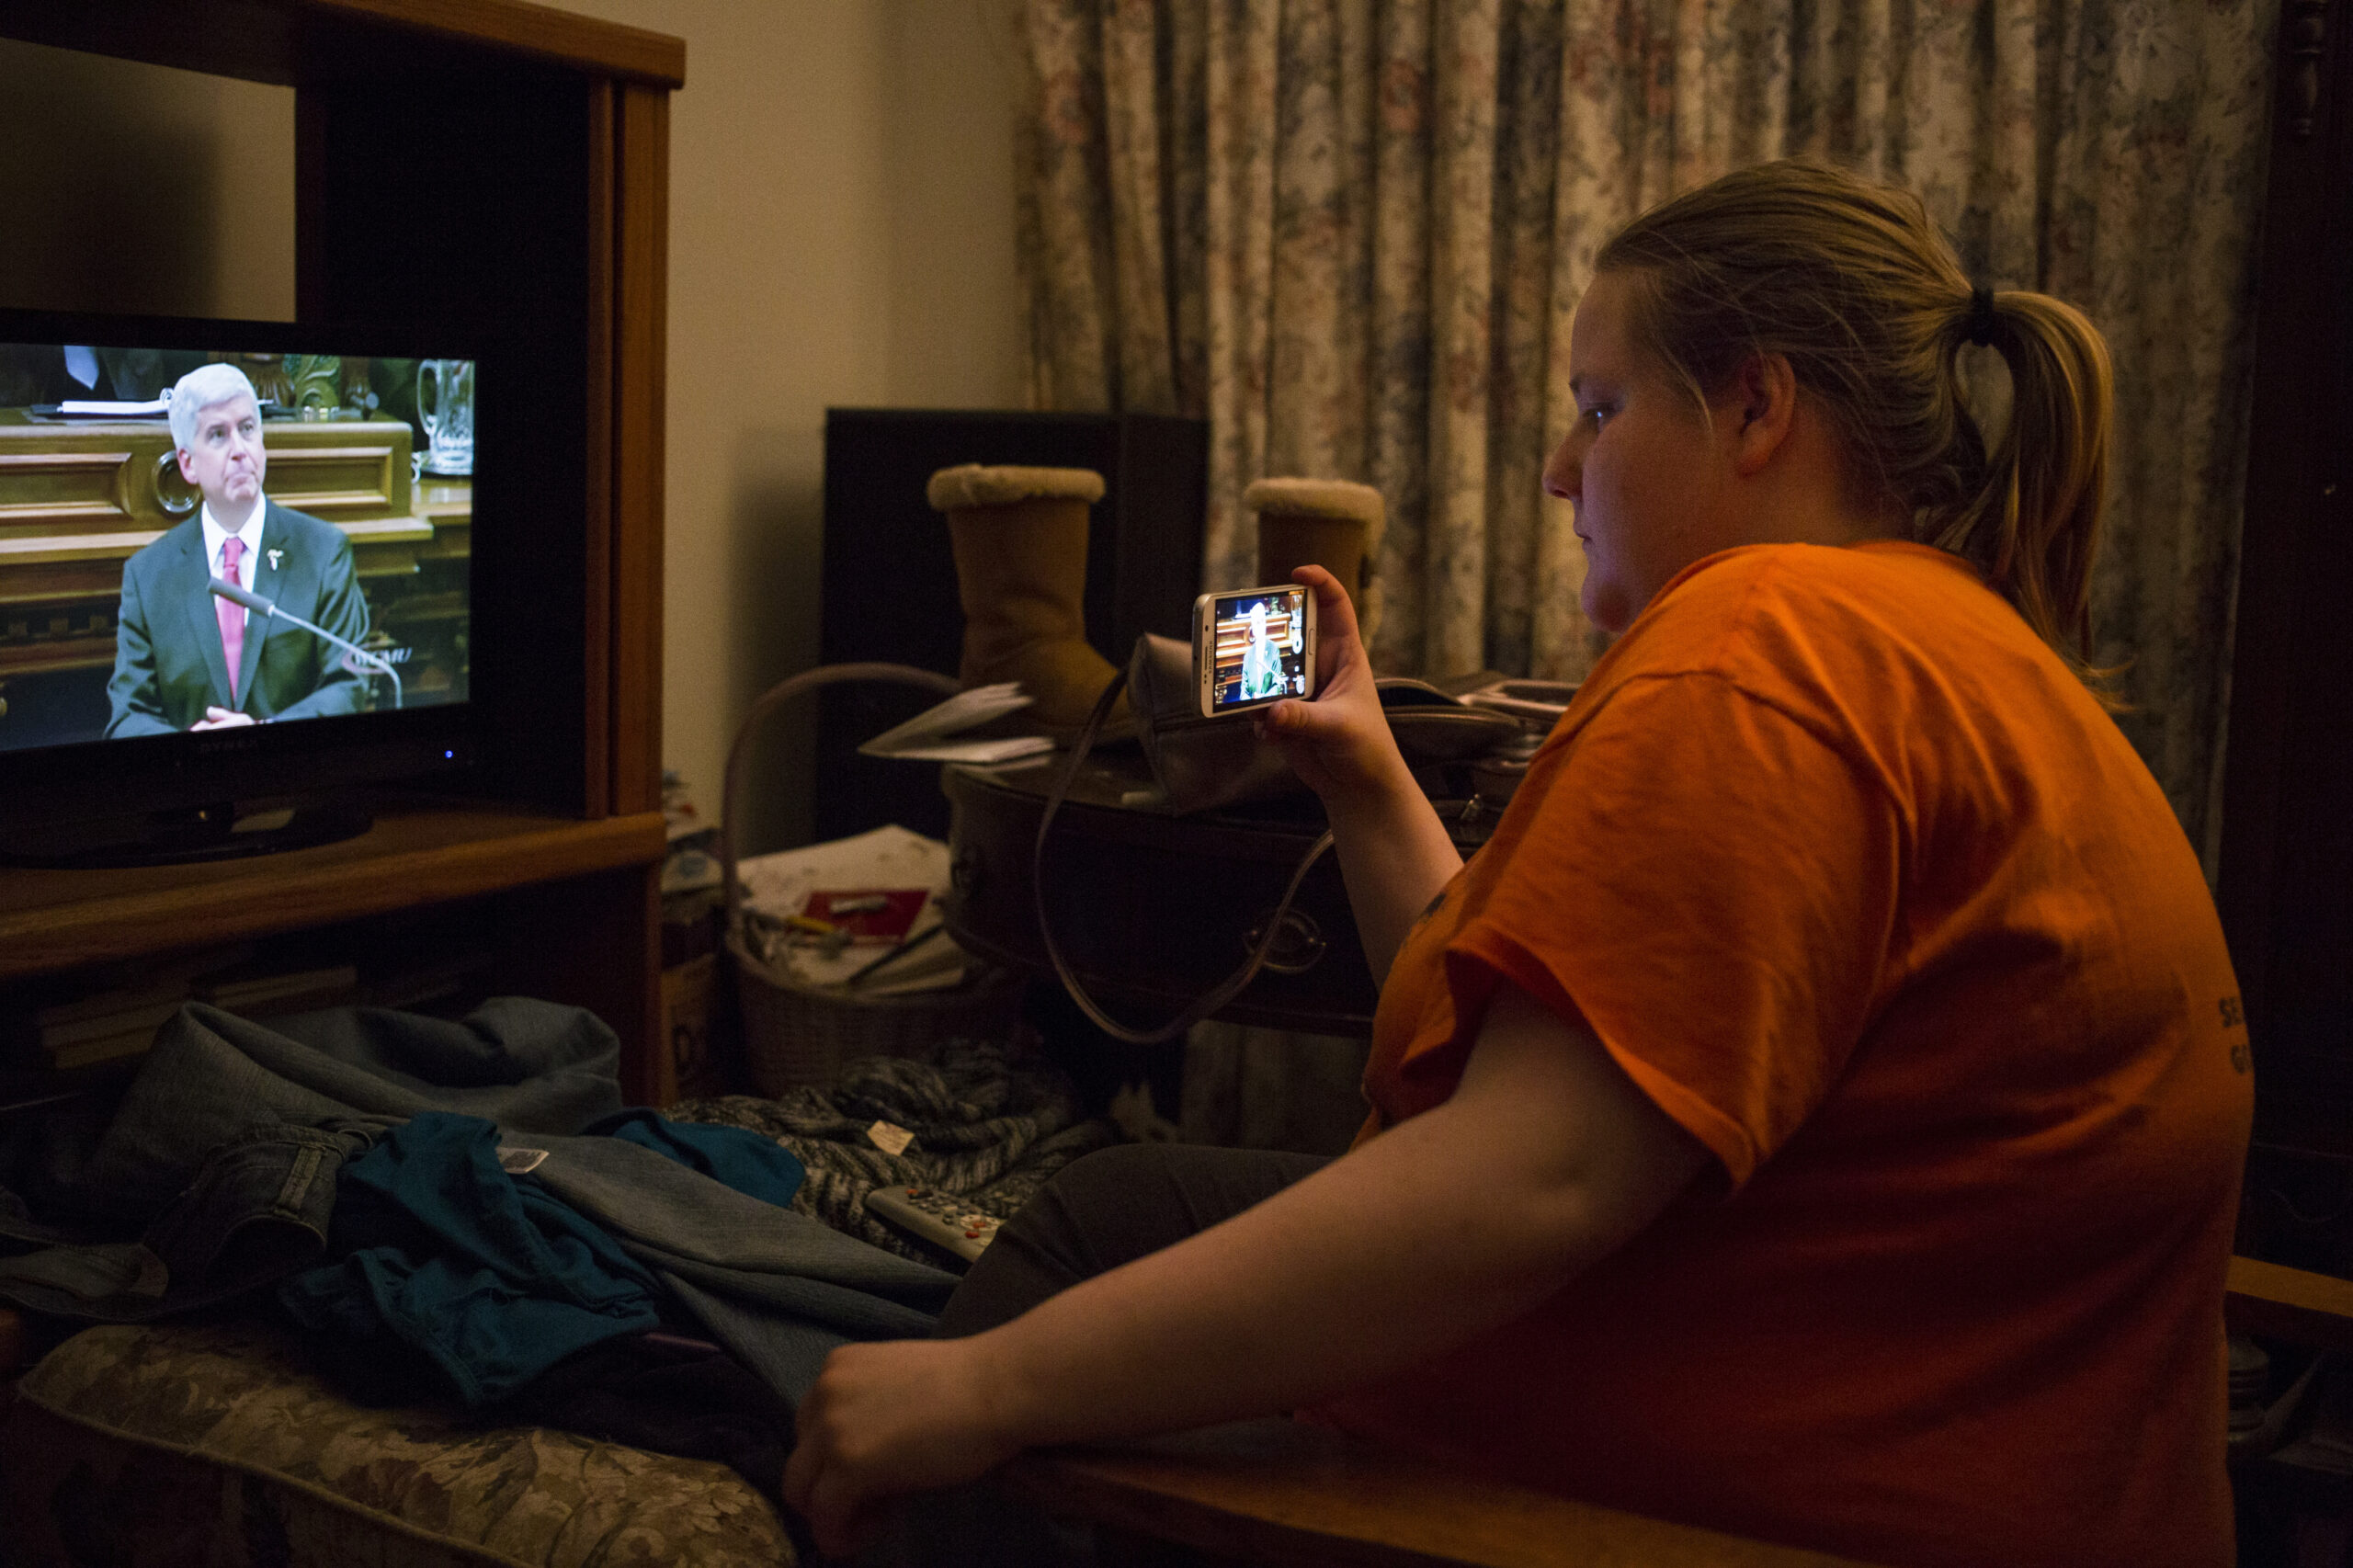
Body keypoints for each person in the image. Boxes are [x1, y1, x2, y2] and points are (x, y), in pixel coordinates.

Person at [782, 160, 2251, 1568]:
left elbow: (1528, 1183)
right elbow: (1563, 1051)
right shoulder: (1952, 638)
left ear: (1754, 406)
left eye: (1598, 409)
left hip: (1753, 1507)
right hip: (1952, 1436)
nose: (1560, 470)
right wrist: (1360, 765)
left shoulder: (1763, 653)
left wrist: (984, 1392)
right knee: (1122, 1203)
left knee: (1038, 1306)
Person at [105, 362, 372, 737]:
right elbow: (127, 718)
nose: (239, 450)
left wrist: (265, 731)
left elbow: (349, 687)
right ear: (187, 464)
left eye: (247, 429)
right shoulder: (148, 575)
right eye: (218, 435)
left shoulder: (324, 552)